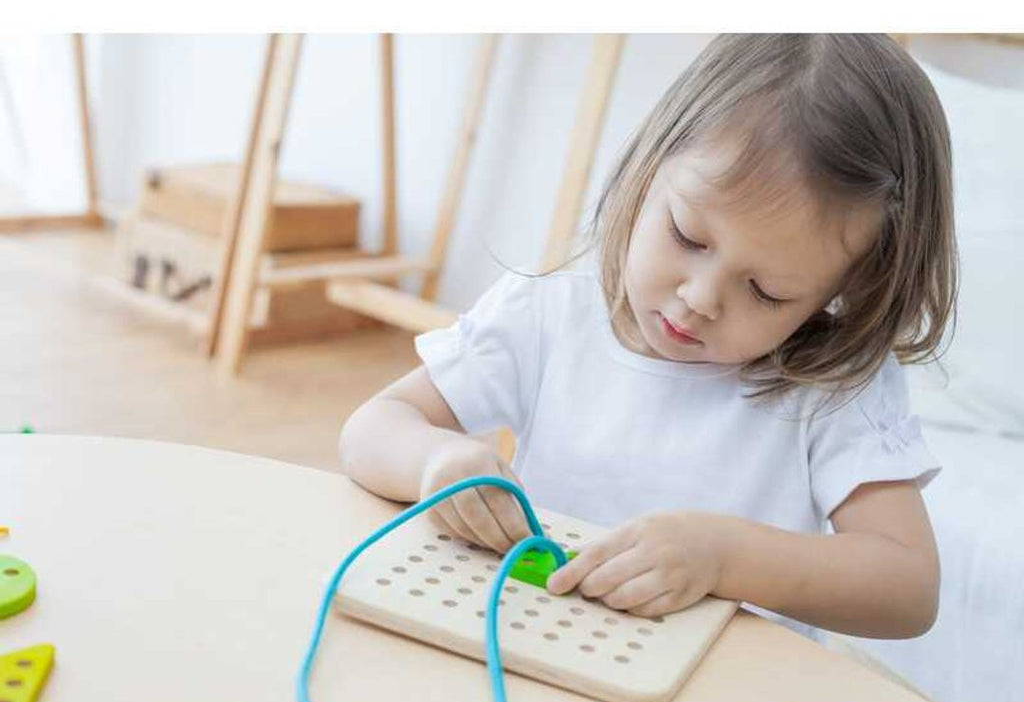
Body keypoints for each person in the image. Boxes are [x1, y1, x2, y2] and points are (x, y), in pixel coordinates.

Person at [339, 34, 957, 641]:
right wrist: (435, 461)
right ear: (648, 168)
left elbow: (907, 588)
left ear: (842, 291)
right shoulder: (550, 312)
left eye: (767, 291)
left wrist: (725, 558)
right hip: (537, 650)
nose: (700, 297)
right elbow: (373, 427)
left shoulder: (832, 387)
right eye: (688, 236)